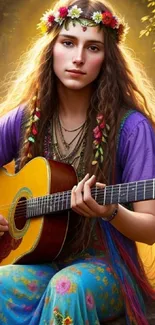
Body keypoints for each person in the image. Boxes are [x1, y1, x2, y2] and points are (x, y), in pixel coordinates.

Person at [0, 0, 155, 324]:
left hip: (106, 266)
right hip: (40, 261)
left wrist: (110, 212)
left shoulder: (132, 128)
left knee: (67, 288)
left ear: (106, 59)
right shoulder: (26, 118)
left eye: (93, 47)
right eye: (68, 43)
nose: (79, 58)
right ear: (51, 48)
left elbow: (150, 227)